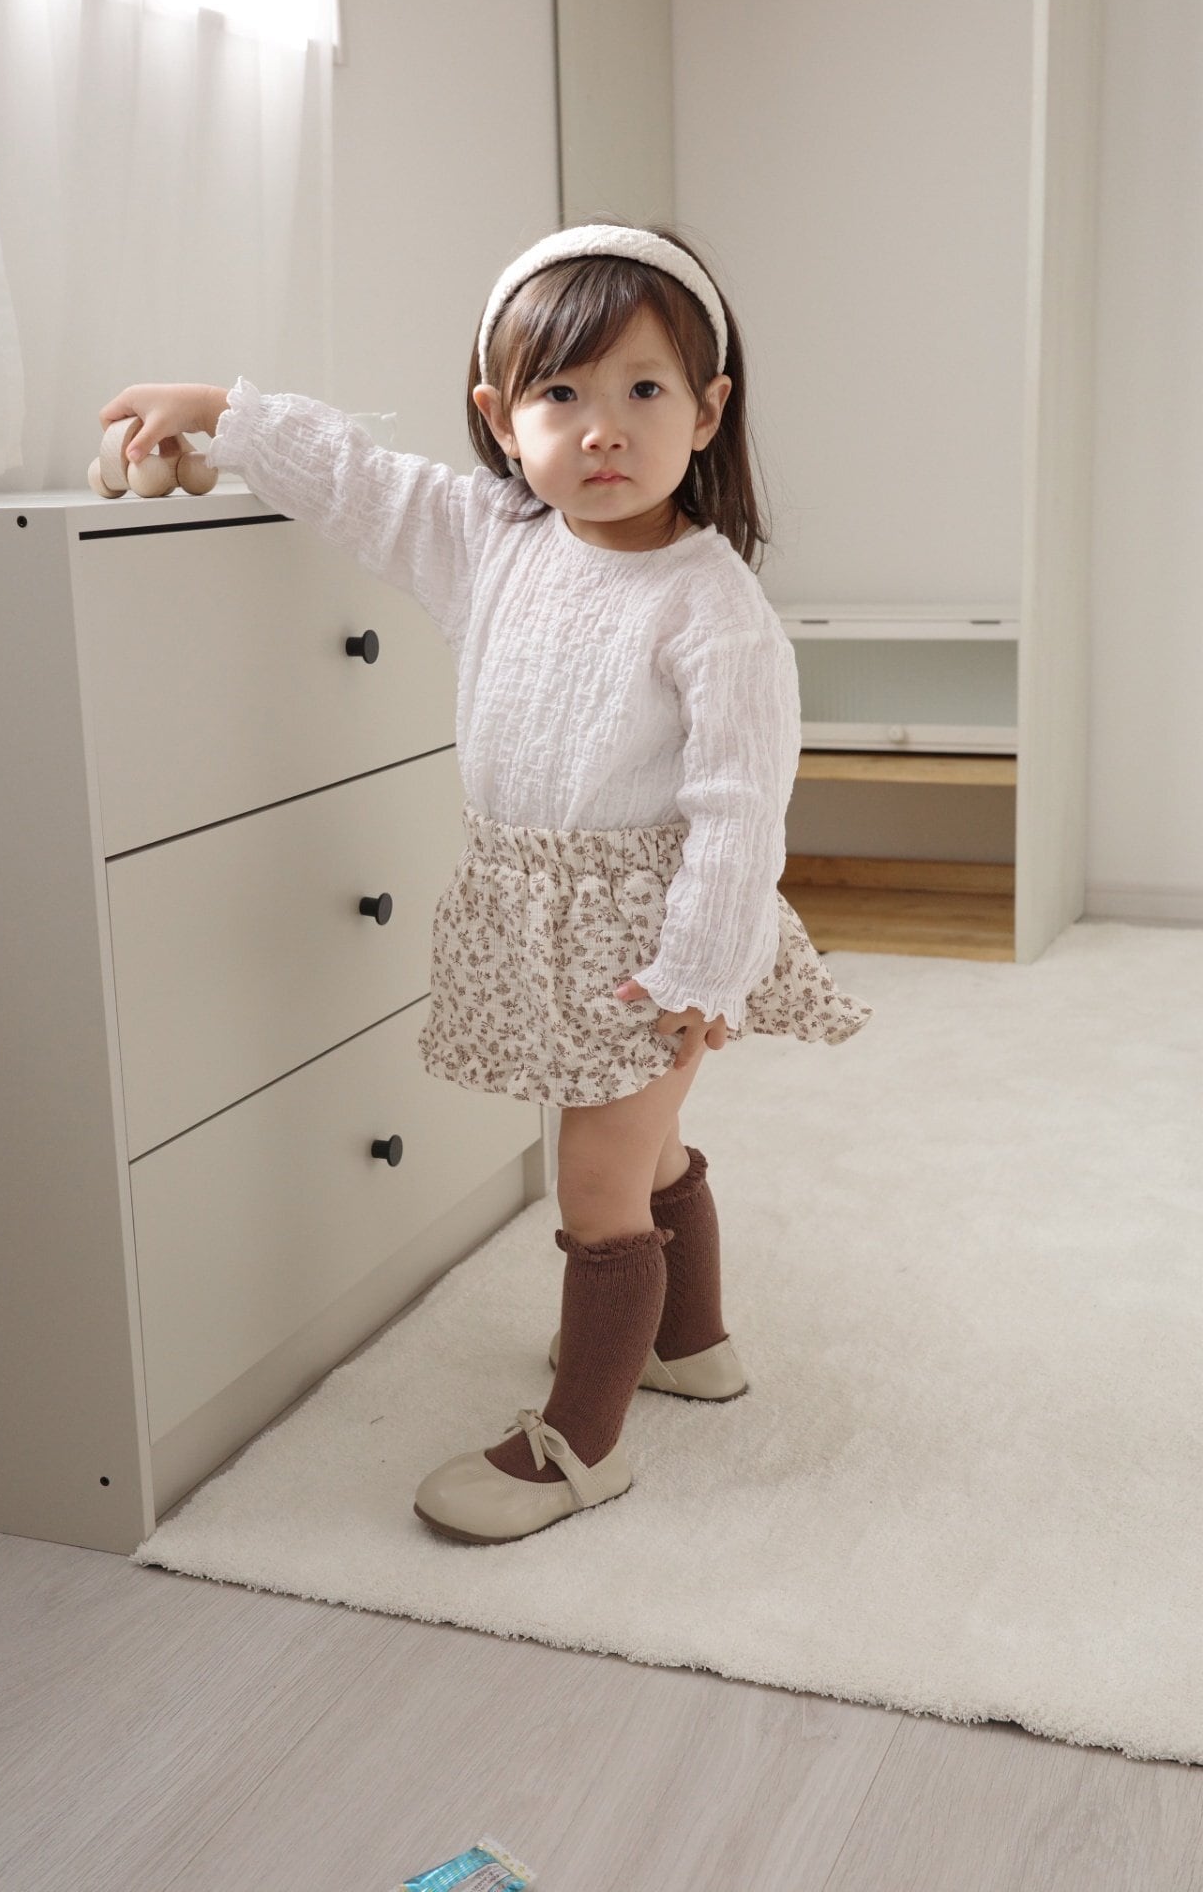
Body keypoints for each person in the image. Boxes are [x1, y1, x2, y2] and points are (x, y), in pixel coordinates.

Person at [99, 219, 872, 1548]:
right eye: (560, 393)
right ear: (502, 419)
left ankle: (583, 1442)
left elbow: (742, 808)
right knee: (645, 1149)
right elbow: (360, 481)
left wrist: (698, 970)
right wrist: (223, 412)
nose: (603, 428)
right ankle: (689, 1345)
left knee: (597, 1180)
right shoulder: (494, 536)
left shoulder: (712, 605)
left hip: (653, 937)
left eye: (644, 389)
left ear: (707, 413)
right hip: (533, 914)